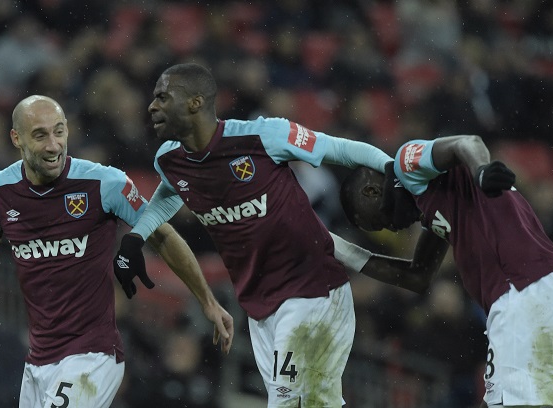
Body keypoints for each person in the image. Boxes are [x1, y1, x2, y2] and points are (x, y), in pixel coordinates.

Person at [112, 62, 447, 407]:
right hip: (259, 304)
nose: (152, 106)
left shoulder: (262, 135)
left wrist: (394, 171)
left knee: (285, 400)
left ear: (195, 102)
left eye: (163, 97)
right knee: (318, 403)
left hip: (313, 290)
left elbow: (342, 150)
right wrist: (137, 237)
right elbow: (168, 195)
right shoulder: (169, 161)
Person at [0, 95, 234, 408]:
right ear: (16, 138)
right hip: (38, 361)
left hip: (92, 356)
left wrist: (206, 300)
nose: (53, 145)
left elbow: (162, 237)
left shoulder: (104, 183)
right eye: (40, 135)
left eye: (59, 131)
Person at [339, 134, 553, 408]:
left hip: (523, 290)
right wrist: (341, 250)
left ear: (371, 192)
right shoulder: (437, 203)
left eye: (376, 222)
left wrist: (481, 172)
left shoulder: (406, 164)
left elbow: (465, 143)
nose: (390, 229)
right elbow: (417, 276)